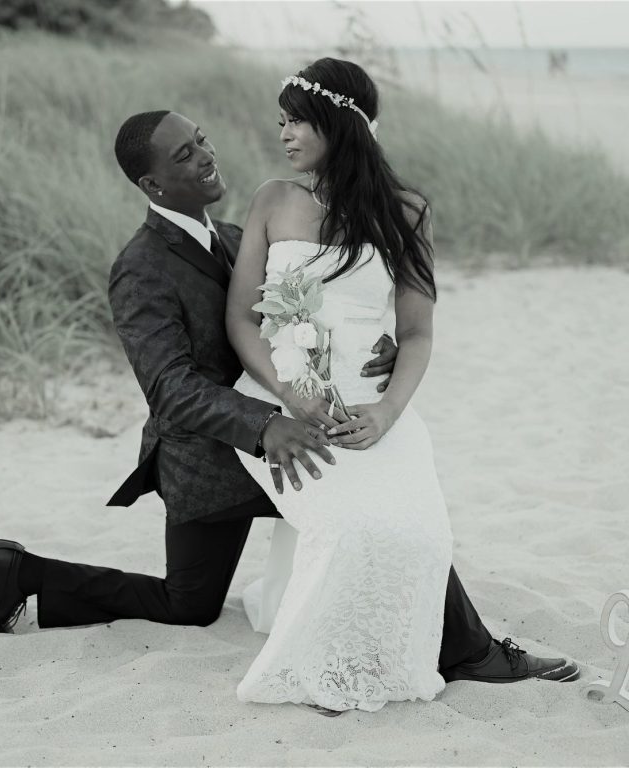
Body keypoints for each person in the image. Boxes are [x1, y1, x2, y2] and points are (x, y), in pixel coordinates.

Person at [0, 101, 577, 697]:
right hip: (209, 456)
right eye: (186, 154)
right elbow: (169, 389)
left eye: (203, 139)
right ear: (152, 183)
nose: (207, 155)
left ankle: (471, 651)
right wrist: (267, 427)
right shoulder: (140, 267)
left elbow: (303, 313)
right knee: (190, 604)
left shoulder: (237, 237)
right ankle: (21, 572)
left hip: (282, 431)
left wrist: (382, 343)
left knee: (381, 494)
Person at [226, 58, 579, 711]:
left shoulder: (407, 210)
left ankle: (462, 651)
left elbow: (416, 332)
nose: (285, 134)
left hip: (377, 405)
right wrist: (292, 393)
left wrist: (388, 413)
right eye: (281, 121)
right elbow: (243, 320)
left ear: (342, 121)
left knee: (421, 532)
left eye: (297, 119)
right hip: (292, 406)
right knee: (351, 528)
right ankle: (344, 659)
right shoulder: (273, 200)